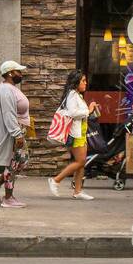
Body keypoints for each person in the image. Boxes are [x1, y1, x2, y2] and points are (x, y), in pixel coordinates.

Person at [49, 70, 101, 200]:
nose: (85, 83)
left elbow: (78, 112)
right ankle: (55, 180)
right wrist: (88, 110)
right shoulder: (72, 94)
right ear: (76, 82)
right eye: (83, 81)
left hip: (81, 133)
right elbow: (73, 113)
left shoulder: (77, 95)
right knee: (80, 161)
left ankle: (78, 191)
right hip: (75, 133)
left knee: (81, 163)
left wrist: (89, 109)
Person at [0, 60, 31, 208]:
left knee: (21, 161)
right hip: (14, 133)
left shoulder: (11, 88)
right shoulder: (6, 90)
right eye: (19, 71)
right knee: (15, 163)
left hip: (19, 130)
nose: (21, 74)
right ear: (10, 73)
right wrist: (17, 134)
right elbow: (8, 114)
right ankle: (8, 197)